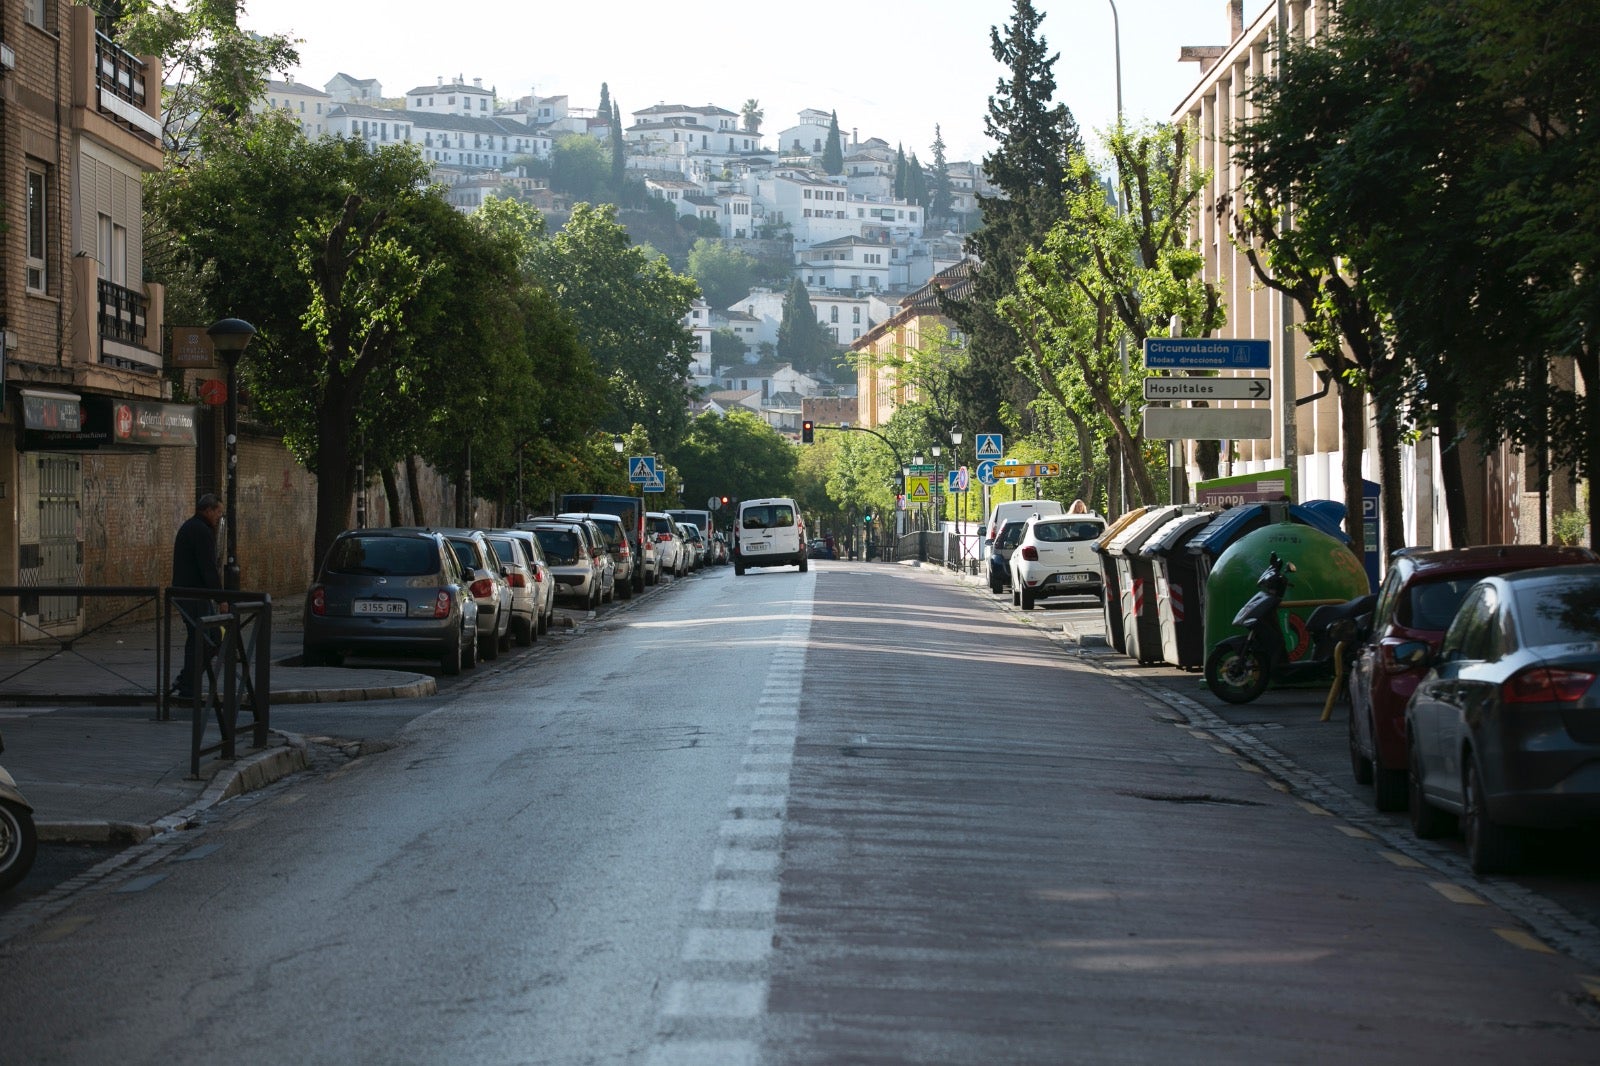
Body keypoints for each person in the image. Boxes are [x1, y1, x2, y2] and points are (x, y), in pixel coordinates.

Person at [171, 493, 228, 698]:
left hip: (188, 593)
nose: (219, 517)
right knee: (207, 638)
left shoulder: (191, 527)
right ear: (208, 510)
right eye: (218, 512)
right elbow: (209, 569)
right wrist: (221, 599)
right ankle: (187, 683)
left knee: (202, 638)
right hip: (195, 595)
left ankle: (187, 681)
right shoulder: (202, 531)